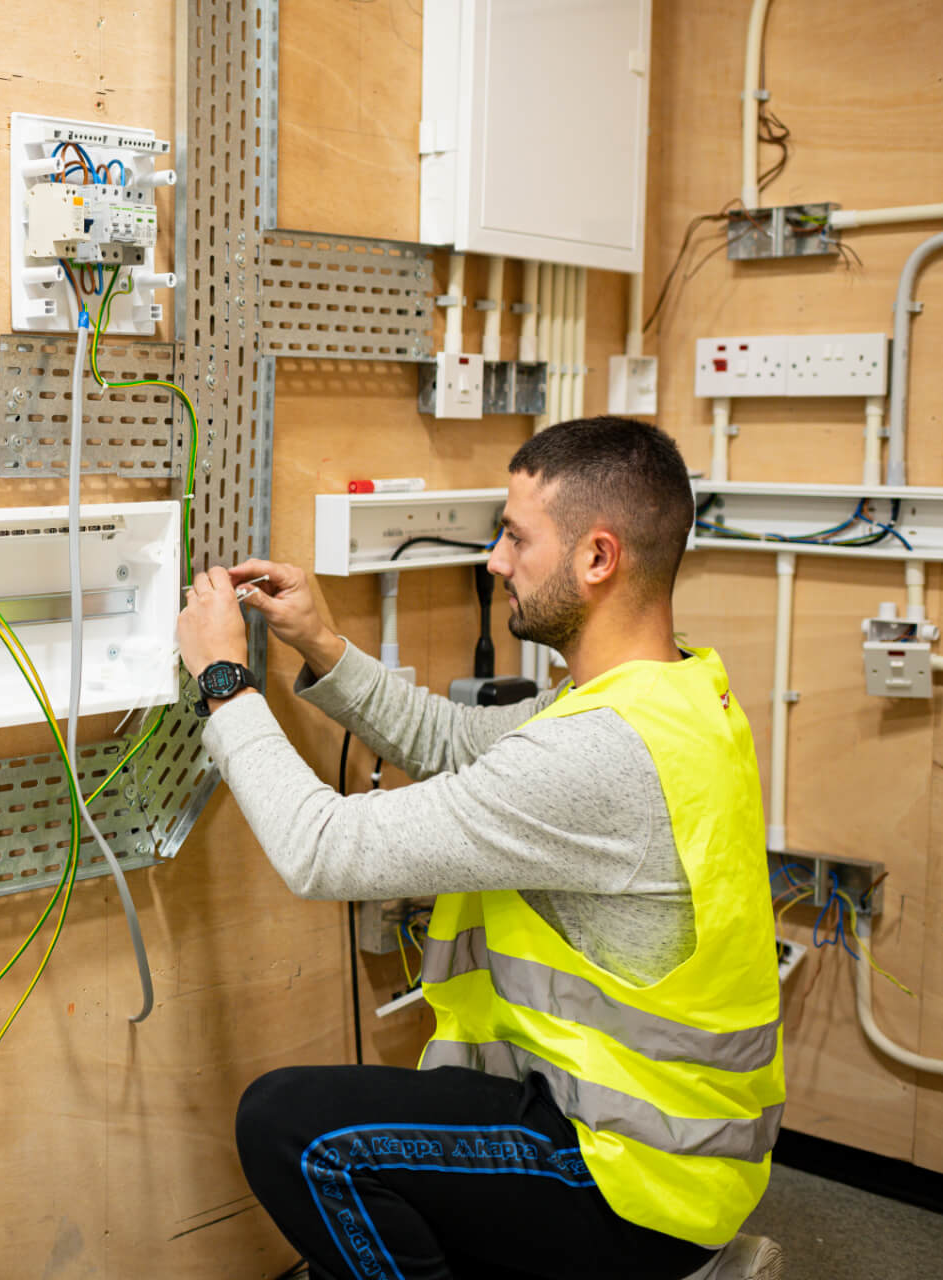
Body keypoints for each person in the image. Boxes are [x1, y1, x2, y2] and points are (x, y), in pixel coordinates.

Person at [175, 418, 785, 1280]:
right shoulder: (671, 694)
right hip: (674, 1154)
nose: (496, 559)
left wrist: (224, 684)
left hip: (629, 1184)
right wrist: (321, 641)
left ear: (598, 558)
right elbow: (456, 738)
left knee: (291, 1129)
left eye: (516, 536)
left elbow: (323, 849)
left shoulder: (598, 753)